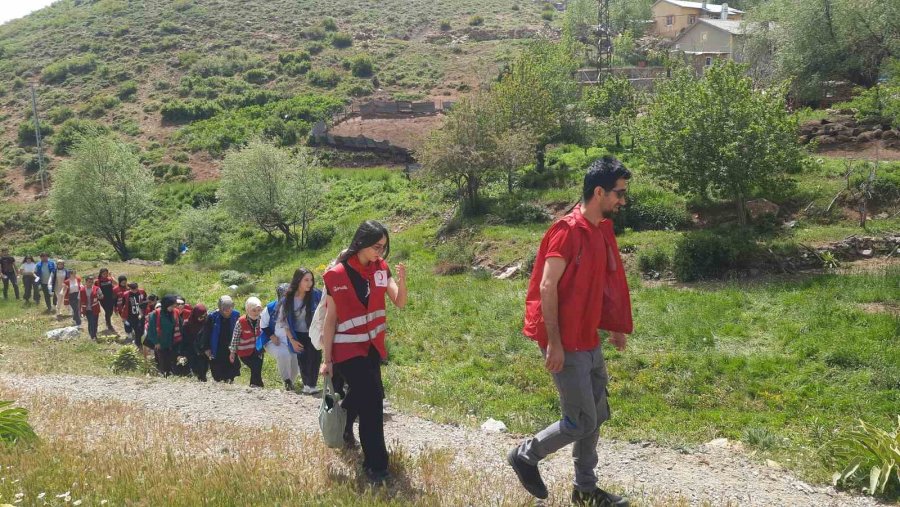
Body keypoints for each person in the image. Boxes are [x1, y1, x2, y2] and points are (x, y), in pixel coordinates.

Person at [507, 157, 634, 507]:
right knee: (579, 421)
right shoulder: (567, 231)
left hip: (589, 338)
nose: (622, 200)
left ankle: (585, 489)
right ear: (599, 191)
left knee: (596, 416)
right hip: (567, 343)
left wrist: (613, 327)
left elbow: (602, 283)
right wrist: (555, 345)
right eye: (618, 193)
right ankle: (525, 455)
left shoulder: (599, 230)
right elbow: (547, 287)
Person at [319, 220, 408, 485]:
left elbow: (399, 302)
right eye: (376, 246)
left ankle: (345, 422)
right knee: (372, 403)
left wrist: (401, 282)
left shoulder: (381, 269)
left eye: (383, 247)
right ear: (361, 242)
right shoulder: (337, 274)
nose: (380, 252)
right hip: (346, 349)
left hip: (371, 347)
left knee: (365, 395)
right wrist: (326, 361)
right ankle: (376, 466)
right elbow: (330, 319)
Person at [258, 282, 303, 392]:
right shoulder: (270, 308)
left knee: (294, 363)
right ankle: (287, 381)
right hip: (273, 340)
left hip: (291, 340)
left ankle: (290, 384)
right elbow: (263, 325)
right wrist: (271, 335)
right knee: (283, 355)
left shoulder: (296, 306)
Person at [289, 268, 324, 394]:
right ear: (298, 280)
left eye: (311, 280)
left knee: (315, 357)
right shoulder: (289, 297)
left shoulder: (316, 294)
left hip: (313, 331)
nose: (310, 283)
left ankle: (312, 385)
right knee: (302, 359)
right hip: (298, 333)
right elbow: (284, 322)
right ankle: (306, 385)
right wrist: (292, 340)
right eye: (306, 280)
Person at [203, 295, 240, 383]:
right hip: (217, 347)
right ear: (220, 307)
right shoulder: (212, 317)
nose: (227, 312)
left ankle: (229, 383)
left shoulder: (236, 315)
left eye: (230, 309)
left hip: (231, 347)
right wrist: (206, 348)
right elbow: (206, 333)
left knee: (231, 370)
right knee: (218, 372)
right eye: (225, 309)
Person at [229, 297, 265, 388]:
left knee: (258, 367)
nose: (257, 313)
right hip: (244, 351)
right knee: (255, 366)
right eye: (254, 310)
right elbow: (235, 337)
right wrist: (232, 352)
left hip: (258, 349)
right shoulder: (241, 322)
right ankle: (257, 385)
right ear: (248, 309)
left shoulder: (262, 319)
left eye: (259, 310)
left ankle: (255, 385)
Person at [146, 295, 183, 377]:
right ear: (166, 304)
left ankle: (172, 375)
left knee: (173, 360)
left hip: (173, 342)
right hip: (160, 343)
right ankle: (165, 376)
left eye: (174, 306)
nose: (173, 308)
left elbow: (180, 325)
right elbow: (151, 330)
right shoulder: (155, 314)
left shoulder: (175, 312)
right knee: (163, 361)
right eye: (171, 306)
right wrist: (156, 342)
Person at [181, 304, 209, 381]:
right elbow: (184, 339)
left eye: (204, 316)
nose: (202, 319)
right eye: (200, 317)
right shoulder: (187, 324)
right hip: (191, 350)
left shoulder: (206, 323)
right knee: (195, 368)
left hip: (203, 350)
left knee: (203, 369)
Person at [125, 282, 147, 349]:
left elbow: (146, 300)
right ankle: (138, 344)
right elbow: (123, 305)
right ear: (130, 288)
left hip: (141, 314)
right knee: (137, 330)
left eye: (136, 288)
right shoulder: (126, 295)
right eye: (133, 289)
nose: (135, 290)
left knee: (141, 330)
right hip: (131, 316)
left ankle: (138, 342)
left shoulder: (142, 292)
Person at [80, 275, 102, 340]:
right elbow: (79, 300)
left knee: (95, 322)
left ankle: (94, 333)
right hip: (87, 309)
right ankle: (93, 336)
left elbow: (102, 296)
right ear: (86, 282)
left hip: (95, 308)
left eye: (92, 282)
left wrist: (99, 296)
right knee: (91, 322)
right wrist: (80, 310)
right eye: (89, 282)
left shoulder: (97, 288)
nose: (90, 283)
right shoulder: (82, 290)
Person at [95, 268, 117, 333]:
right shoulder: (97, 281)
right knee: (107, 311)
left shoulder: (110, 279)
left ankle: (108, 321)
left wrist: (112, 277)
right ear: (101, 274)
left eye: (106, 273)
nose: (105, 275)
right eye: (104, 274)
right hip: (103, 299)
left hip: (111, 298)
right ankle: (109, 324)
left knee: (111, 311)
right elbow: (95, 290)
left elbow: (116, 284)